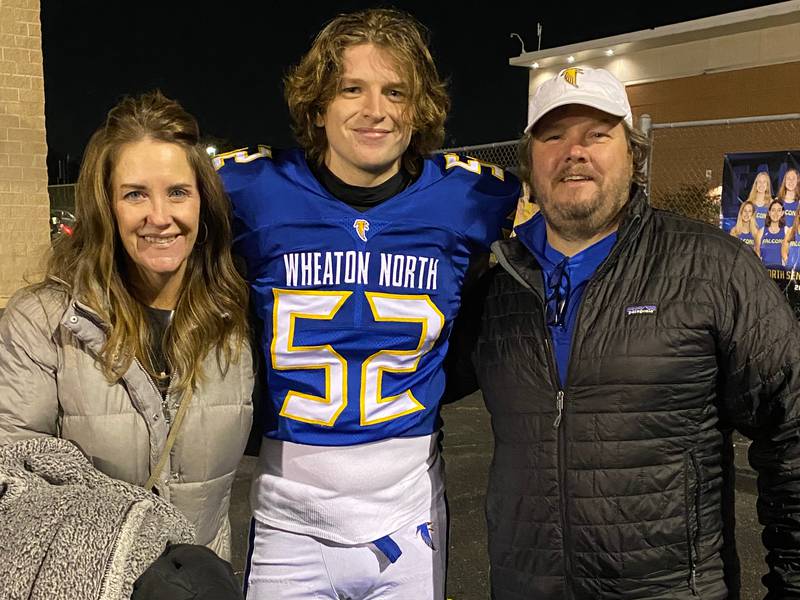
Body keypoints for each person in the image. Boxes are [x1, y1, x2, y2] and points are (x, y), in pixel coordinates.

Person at [446, 67, 800, 598]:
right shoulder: (494, 280)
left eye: (597, 134)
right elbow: (402, 389)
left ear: (633, 154)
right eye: (553, 136)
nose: (574, 151)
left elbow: (792, 429)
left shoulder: (710, 267)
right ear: (530, 160)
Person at [214, 8, 520, 599]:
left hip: (407, 518)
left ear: (418, 107)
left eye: (395, 91)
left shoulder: (468, 198)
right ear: (317, 105)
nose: (374, 109)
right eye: (351, 88)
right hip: (287, 518)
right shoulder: (252, 192)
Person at [0, 91, 254, 560]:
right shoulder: (43, 322)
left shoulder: (234, 317)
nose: (160, 217)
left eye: (178, 191)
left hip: (201, 587)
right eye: (135, 194)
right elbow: (13, 474)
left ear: (203, 201)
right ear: (106, 207)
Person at [756, 199, 788, 268]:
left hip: (781, 274)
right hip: (764, 274)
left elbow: (790, 256)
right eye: (773, 210)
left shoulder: (787, 231)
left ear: (782, 213)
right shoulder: (761, 232)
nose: (776, 213)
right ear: (769, 212)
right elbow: (757, 254)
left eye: (779, 210)